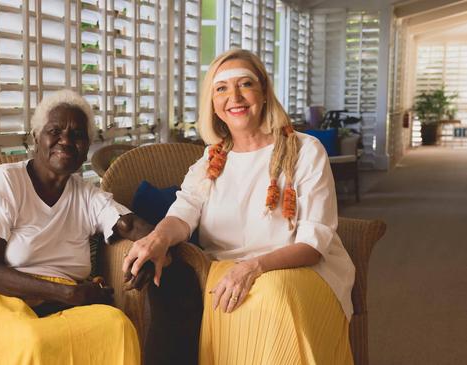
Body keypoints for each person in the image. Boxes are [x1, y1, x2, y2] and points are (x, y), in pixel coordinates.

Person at [122, 48, 356, 364]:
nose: (234, 96)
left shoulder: (304, 150)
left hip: (302, 268)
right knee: (241, 295)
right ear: (214, 105)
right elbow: (183, 211)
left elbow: (313, 245)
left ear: (263, 92)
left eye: (245, 84)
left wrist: (254, 266)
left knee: (274, 295)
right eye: (222, 88)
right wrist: (157, 238)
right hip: (227, 270)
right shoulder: (211, 159)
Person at [0, 89, 153, 364]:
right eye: (55, 130)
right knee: (31, 340)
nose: (66, 140)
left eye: (77, 135)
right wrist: (70, 293)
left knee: (116, 325)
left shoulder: (86, 195)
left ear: (86, 146)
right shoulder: (6, 181)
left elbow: (129, 225)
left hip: (52, 300)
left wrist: (152, 249)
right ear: (36, 138)